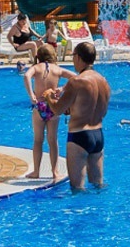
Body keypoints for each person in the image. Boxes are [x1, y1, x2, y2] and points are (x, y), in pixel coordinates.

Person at [43, 42, 110, 192]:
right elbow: (101, 111)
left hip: (79, 136)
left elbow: (57, 109)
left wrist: (48, 97)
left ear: (78, 57)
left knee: (77, 189)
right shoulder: (104, 82)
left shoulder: (77, 81)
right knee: (98, 187)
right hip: (98, 135)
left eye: (73, 56)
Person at [23, 44, 72, 179]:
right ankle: (55, 172)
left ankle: (36, 172)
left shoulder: (36, 68)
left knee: (38, 140)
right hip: (53, 106)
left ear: (38, 56)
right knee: (53, 140)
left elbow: (26, 76)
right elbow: (75, 77)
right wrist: (62, 88)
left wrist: (31, 94)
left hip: (39, 106)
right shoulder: (57, 69)